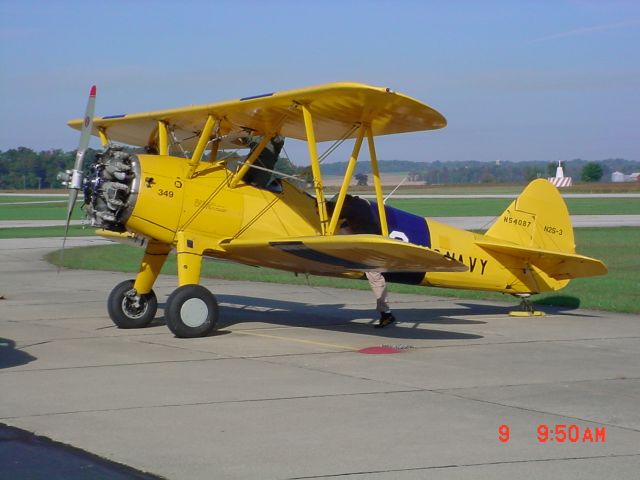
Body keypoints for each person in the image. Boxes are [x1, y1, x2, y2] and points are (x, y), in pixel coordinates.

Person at [328, 194, 396, 328]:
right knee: (343, 227)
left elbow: (333, 214)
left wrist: (320, 206)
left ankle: (386, 314)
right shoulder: (359, 203)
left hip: (371, 247)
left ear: (344, 202)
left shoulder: (352, 207)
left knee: (374, 277)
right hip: (366, 244)